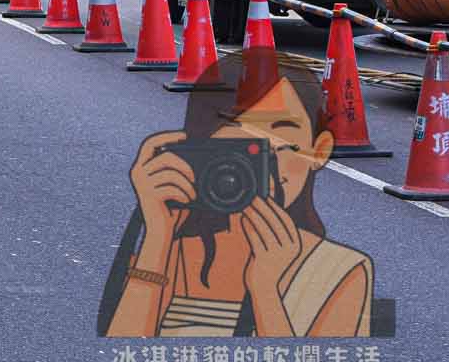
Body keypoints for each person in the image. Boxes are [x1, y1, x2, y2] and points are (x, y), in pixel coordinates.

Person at [98, 52, 374, 338]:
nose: (262, 165)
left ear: (319, 150)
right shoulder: (171, 246)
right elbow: (124, 353)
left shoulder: (340, 271)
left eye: (279, 137)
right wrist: (157, 234)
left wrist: (266, 289)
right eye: (239, 144)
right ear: (199, 150)